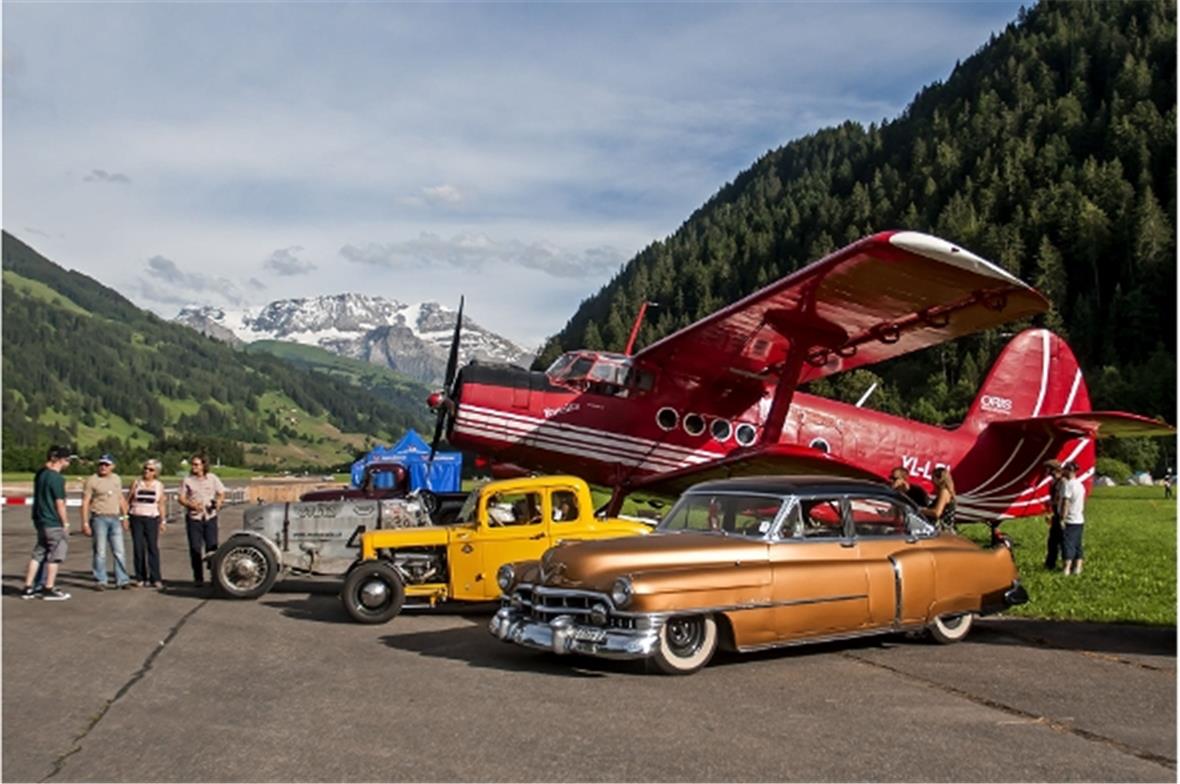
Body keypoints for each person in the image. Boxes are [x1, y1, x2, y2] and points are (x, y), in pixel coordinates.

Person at [21, 446, 75, 601]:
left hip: (39, 519)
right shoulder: (57, 479)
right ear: (61, 460)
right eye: (67, 459)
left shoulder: (40, 474)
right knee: (55, 555)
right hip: (52, 521)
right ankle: (48, 587)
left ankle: (28, 586)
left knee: (38, 553)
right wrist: (65, 522)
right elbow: (60, 503)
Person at [81, 453, 131, 590]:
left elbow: (120, 498)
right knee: (100, 551)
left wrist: (125, 516)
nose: (103, 467)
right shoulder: (92, 480)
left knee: (119, 550)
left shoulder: (116, 479)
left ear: (112, 466)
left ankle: (122, 579)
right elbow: (85, 502)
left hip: (115, 517)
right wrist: (85, 522)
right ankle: (101, 580)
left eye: (106, 465)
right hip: (99, 518)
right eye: (101, 464)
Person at [178, 454, 225, 587]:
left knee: (212, 548)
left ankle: (214, 576)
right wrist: (190, 504)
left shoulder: (212, 478)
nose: (194, 467)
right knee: (195, 548)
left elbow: (221, 492)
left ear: (203, 466)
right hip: (194, 518)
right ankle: (198, 578)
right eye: (192, 464)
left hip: (210, 516)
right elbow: (181, 498)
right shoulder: (187, 480)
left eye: (196, 464)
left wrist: (219, 503)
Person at [128, 459, 167, 588]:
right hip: (136, 517)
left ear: (156, 472)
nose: (147, 471)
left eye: (150, 469)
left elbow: (161, 504)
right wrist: (125, 517)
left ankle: (155, 577)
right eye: (145, 468)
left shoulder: (158, 485)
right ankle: (140, 577)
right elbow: (129, 499)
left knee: (152, 548)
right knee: (138, 548)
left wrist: (162, 520)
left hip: (151, 518)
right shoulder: (136, 483)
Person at [1061, 461, 1086, 575]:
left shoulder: (1068, 485)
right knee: (1077, 544)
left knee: (1068, 543)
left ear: (1068, 470)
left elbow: (1066, 502)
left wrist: (1063, 518)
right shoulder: (1080, 485)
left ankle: (1066, 568)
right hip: (1079, 518)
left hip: (1070, 519)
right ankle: (1078, 568)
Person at [1043, 460, 1065, 570]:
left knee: (1063, 541)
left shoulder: (1062, 482)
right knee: (1052, 541)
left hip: (1062, 516)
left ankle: (1066, 564)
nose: (1046, 472)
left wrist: (1051, 503)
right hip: (1055, 515)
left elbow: (1062, 499)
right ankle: (1050, 564)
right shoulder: (1053, 482)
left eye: (1048, 469)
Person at [923, 466, 956, 531]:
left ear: (939, 479)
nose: (931, 480)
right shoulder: (947, 492)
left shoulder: (944, 492)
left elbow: (937, 513)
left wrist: (921, 510)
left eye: (933, 478)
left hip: (941, 530)